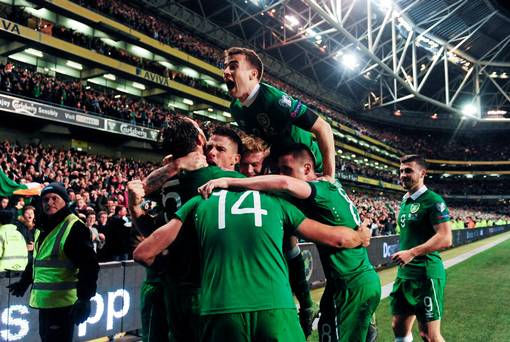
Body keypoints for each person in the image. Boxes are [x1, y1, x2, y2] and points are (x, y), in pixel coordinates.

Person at [133, 188, 371, 342]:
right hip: (276, 309)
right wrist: (361, 236)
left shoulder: (199, 201)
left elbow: (144, 253)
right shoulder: (277, 202)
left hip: (220, 312)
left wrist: (180, 271)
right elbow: (337, 238)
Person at [198, 143, 381, 342]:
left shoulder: (317, 189)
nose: (282, 174)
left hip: (348, 285)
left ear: (308, 169)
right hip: (356, 280)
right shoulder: (328, 185)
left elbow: (286, 184)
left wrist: (229, 181)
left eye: (286, 170)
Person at [128, 116, 245, 342]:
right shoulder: (220, 179)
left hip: (170, 284)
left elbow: (146, 210)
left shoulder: (168, 179)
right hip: (201, 288)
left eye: (220, 149)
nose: (212, 152)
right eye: (210, 146)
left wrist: (172, 166)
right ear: (201, 140)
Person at [237, 136, 319, 338]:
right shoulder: (228, 182)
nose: (248, 171)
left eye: (254, 165)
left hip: (272, 286)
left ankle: (306, 305)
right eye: (244, 165)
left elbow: (293, 249)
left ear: (265, 162)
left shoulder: (278, 190)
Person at [223, 47, 336, 181]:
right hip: (282, 165)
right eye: (225, 67)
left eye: (233, 66)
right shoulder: (236, 109)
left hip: (310, 168)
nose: (225, 72)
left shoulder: (275, 100)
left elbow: (324, 127)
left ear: (253, 74)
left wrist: (329, 175)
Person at [7, 182, 99, 342]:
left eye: (54, 198)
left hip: (63, 306)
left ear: (64, 200)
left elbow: (89, 266)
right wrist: (25, 281)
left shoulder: (74, 227)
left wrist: (85, 298)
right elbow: (38, 260)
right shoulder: (43, 228)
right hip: (46, 304)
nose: (49, 203)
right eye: (45, 200)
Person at [390, 155, 452, 342]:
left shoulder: (433, 200)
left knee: (429, 335)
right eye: (401, 171)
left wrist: (412, 253)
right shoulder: (404, 200)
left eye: (408, 170)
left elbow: (446, 237)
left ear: (423, 173)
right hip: (404, 275)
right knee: (398, 327)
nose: (402, 175)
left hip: (426, 274)